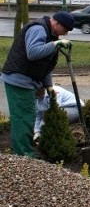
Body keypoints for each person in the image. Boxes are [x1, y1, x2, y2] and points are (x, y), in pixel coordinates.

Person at [1, 12, 74, 156]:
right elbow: (33, 53)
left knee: (27, 117)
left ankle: (22, 153)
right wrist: (55, 44)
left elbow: (44, 65)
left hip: (26, 80)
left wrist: (48, 86)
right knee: (24, 118)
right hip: (19, 80)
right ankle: (24, 156)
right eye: (65, 30)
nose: (65, 34)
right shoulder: (38, 29)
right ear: (57, 24)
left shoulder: (50, 34)